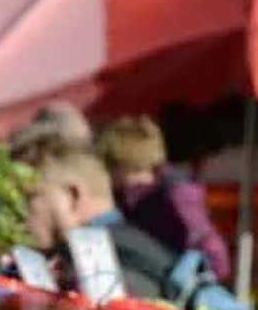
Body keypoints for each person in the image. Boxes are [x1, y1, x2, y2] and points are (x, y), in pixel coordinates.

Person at [14, 147, 246, 310]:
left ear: (73, 195)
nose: (22, 214)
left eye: (31, 197)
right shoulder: (136, 241)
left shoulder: (95, 258)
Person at [94, 117, 233, 281]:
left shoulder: (176, 195)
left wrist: (185, 275)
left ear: (118, 161)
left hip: (172, 285)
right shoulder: (123, 197)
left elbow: (213, 254)